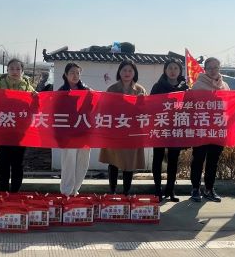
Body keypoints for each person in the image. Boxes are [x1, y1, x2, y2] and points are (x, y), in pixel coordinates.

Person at [98, 60, 147, 195]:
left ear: (134, 73)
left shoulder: (140, 90)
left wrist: (141, 103)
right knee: (113, 162)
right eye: (124, 70)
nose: (127, 73)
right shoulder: (112, 89)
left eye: (130, 70)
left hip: (132, 133)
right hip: (115, 132)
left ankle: (126, 192)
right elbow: (104, 109)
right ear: (119, 72)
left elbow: (145, 112)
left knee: (129, 164)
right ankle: (112, 191)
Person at [189, 57, 230, 203]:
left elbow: (230, 105)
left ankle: (209, 189)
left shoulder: (225, 86)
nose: (213, 70)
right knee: (198, 159)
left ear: (219, 68)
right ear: (205, 69)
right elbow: (190, 106)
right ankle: (195, 188)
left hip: (218, 128)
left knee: (213, 161)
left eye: (216, 67)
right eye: (210, 68)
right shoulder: (198, 85)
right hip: (201, 128)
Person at [150, 59, 189, 202]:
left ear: (180, 70)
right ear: (165, 70)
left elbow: (190, 107)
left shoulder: (185, 87)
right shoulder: (157, 86)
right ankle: (157, 189)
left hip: (177, 127)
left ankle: (170, 190)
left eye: (175, 68)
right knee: (158, 158)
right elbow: (150, 105)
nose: (173, 71)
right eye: (170, 68)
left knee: (173, 160)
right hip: (160, 126)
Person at [0, 58, 35, 192]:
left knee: (18, 163)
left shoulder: (28, 87)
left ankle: (15, 192)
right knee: (3, 162)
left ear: (22, 71)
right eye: (12, 68)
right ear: (7, 70)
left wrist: (36, 98)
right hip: (2, 130)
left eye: (18, 69)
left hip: (20, 131)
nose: (15, 71)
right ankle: (3, 190)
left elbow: (35, 106)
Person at [57, 62, 91, 196]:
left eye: (77, 73)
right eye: (72, 73)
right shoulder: (61, 91)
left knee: (83, 161)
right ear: (66, 75)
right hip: (68, 132)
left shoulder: (86, 90)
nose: (75, 75)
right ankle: (66, 191)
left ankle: (75, 190)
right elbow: (55, 110)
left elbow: (93, 107)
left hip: (83, 130)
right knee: (68, 160)